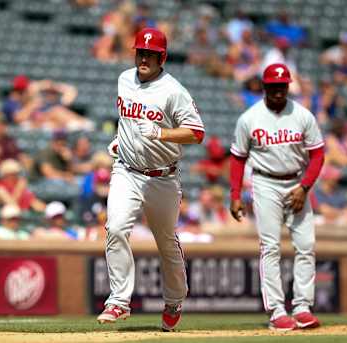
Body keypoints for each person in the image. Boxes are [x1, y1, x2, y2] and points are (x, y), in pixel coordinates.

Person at [96, 28, 205, 332]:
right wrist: (121, 139)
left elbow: (197, 133)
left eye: (150, 54)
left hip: (162, 177)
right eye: (140, 52)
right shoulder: (123, 79)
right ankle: (119, 300)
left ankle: (174, 301)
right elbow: (127, 120)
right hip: (126, 171)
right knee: (115, 228)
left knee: (166, 242)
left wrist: (162, 133)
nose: (143, 58)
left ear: (162, 57)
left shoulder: (173, 90)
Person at [229, 63, 325, 331]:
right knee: (270, 247)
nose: (278, 91)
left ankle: (303, 307)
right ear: (264, 86)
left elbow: (318, 154)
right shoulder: (249, 118)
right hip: (265, 183)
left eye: (282, 86)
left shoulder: (303, 115)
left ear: (288, 86)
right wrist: (235, 194)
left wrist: (305, 187)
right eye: (273, 86)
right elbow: (238, 159)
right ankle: (276, 310)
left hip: (297, 181)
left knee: (306, 245)